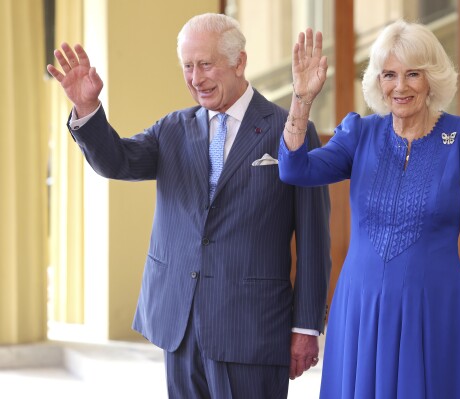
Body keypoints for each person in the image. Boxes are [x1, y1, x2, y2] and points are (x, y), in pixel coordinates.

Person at [47, 13, 331, 399]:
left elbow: (314, 238)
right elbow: (117, 161)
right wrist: (88, 110)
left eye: (205, 64)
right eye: (187, 66)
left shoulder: (290, 129)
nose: (195, 78)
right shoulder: (172, 129)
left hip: (251, 328)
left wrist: (306, 326)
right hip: (179, 323)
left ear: (239, 62)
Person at [278, 20, 460, 398]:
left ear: (432, 79)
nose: (400, 86)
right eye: (389, 75)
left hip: (431, 308)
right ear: (378, 81)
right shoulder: (359, 133)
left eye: (413, 74)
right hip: (360, 306)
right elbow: (295, 169)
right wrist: (301, 99)